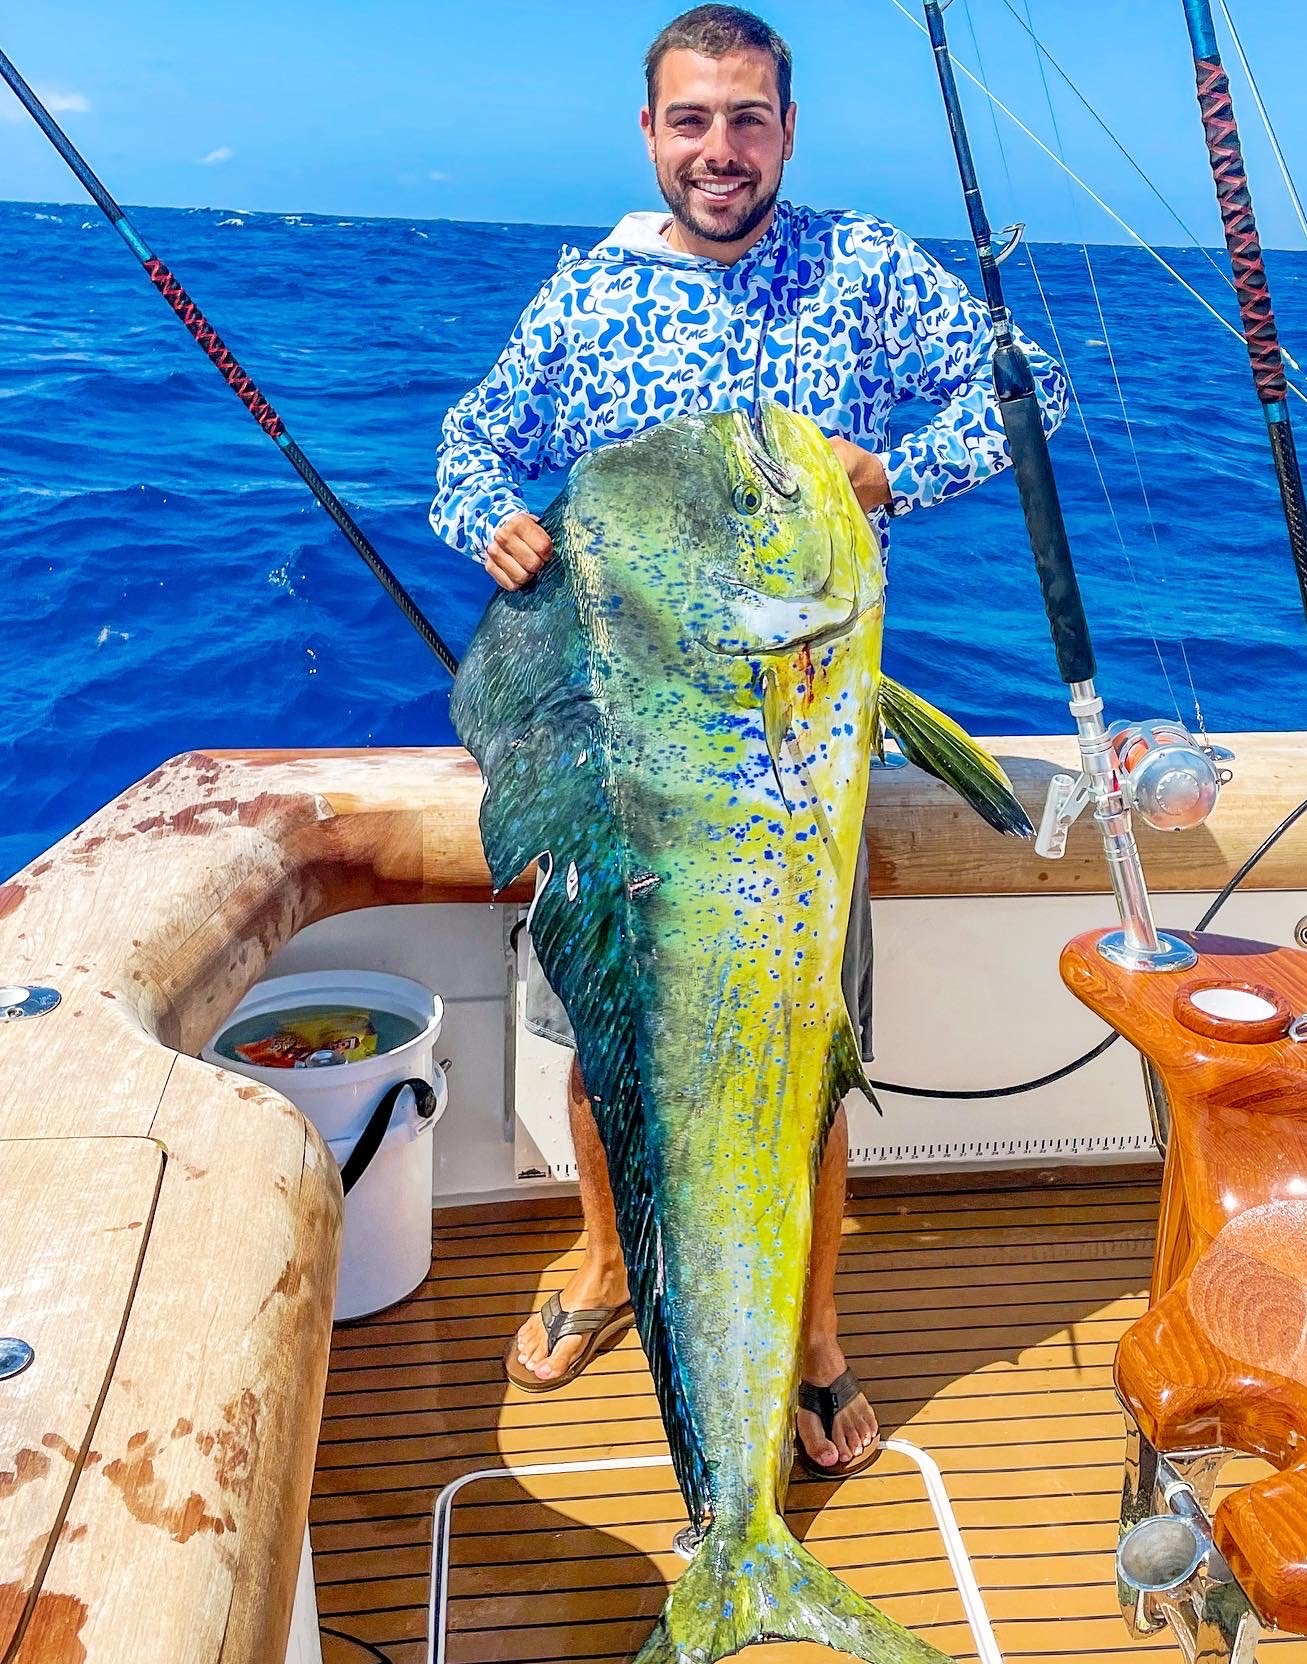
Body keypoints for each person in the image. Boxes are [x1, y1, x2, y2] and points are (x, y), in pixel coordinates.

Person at [432, 4, 1068, 1479]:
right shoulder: (586, 296)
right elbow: (469, 444)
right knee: (608, 1042)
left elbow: (1029, 389)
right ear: (649, 132)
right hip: (621, 764)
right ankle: (607, 1261)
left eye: (746, 118)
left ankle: (815, 1331)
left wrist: (889, 474)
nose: (719, 149)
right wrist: (490, 519)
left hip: (795, 755)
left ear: (787, 130)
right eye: (691, 120)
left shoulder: (861, 269)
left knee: (805, 1058)